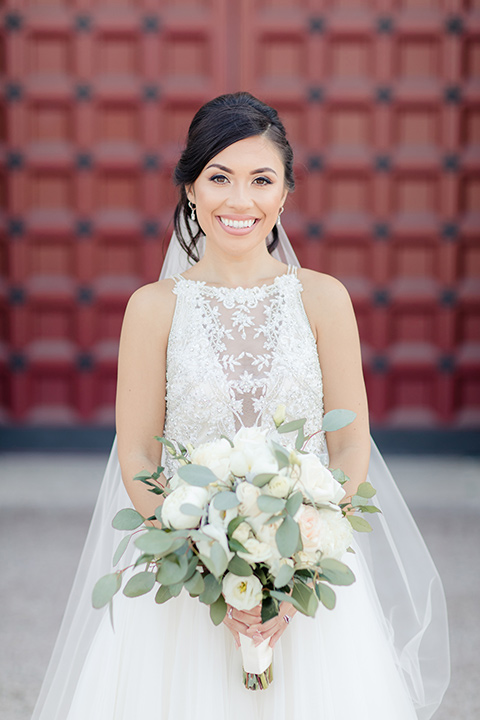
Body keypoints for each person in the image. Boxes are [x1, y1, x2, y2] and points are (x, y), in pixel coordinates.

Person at [32, 92, 449, 720]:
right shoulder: (153, 308)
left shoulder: (324, 299)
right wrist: (204, 561)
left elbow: (349, 445)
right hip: (184, 581)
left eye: (261, 180)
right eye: (219, 177)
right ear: (191, 188)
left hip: (303, 577)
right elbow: (140, 451)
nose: (239, 200)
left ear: (284, 195)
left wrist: (294, 567)